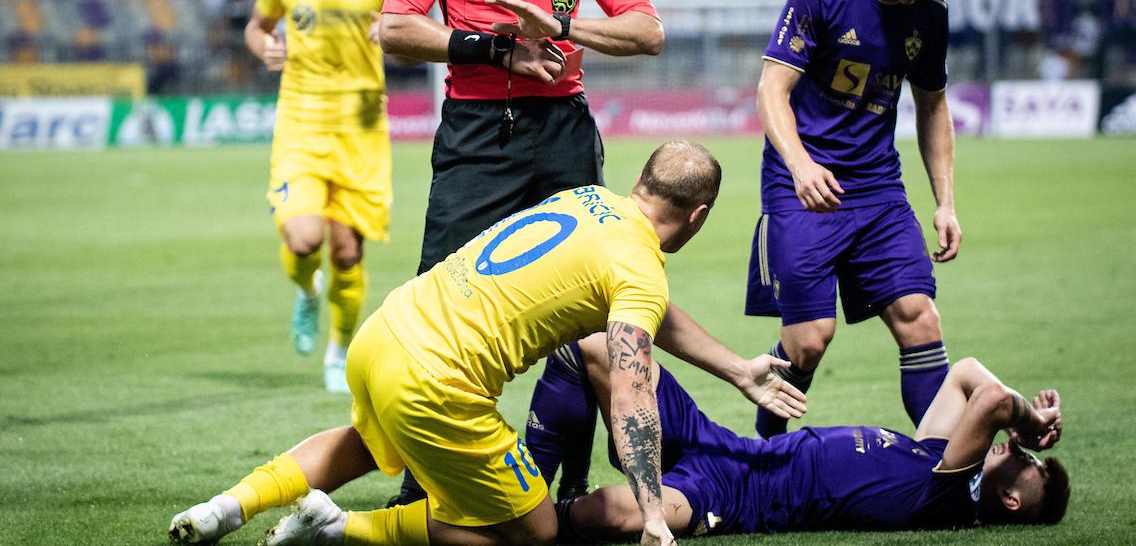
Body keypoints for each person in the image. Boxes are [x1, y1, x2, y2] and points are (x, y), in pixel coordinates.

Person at [167, 142, 806, 546]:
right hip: (437, 383)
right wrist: (654, 511)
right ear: (698, 216)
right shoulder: (639, 268)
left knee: (366, 441)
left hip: (386, 332)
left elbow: (642, 311)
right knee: (537, 530)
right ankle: (341, 529)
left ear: (643, 183)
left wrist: (734, 370)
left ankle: (227, 507)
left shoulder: (587, 199)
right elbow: (633, 386)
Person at [378, 0, 664, 504]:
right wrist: (499, 48)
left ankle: (573, 481)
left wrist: (567, 32)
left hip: (565, 131)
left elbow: (647, 30)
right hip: (480, 131)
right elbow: (395, 27)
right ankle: (422, 489)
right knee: (436, 311)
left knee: (587, 314)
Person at [745, 0, 988, 439]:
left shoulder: (930, 14)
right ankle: (765, 456)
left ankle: (942, 471)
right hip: (802, 182)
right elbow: (771, 91)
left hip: (877, 188)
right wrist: (802, 166)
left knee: (921, 321)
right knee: (808, 339)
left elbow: (932, 105)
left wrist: (946, 202)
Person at [529, 333, 1069, 540]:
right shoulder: (935, 455)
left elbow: (994, 403)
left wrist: (1031, 421)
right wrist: (1024, 416)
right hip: (728, 449)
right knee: (597, 345)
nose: (1017, 448)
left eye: (1027, 463)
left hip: (733, 499)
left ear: (1011, 500)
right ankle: (553, 479)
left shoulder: (948, 495)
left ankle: (532, 519)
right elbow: (967, 372)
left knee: (613, 515)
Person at [244, 0, 395, 392]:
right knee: (304, 239)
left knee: (347, 251)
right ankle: (307, 292)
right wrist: (265, 46)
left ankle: (338, 351)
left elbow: (418, 22)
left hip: (360, 122)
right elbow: (257, 26)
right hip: (302, 120)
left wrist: (393, 32)